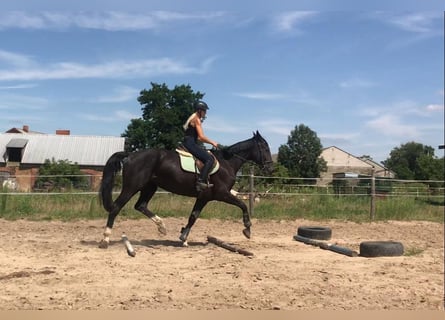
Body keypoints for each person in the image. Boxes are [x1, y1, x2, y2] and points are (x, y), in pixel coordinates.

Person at [182, 100, 219, 191]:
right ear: (199, 111)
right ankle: (201, 181)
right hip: (190, 144)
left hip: (189, 142)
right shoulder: (196, 119)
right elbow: (201, 137)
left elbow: (197, 138)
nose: (205, 113)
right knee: (209, 159)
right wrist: (212, 142)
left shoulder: (193, 118)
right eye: (204, 111)